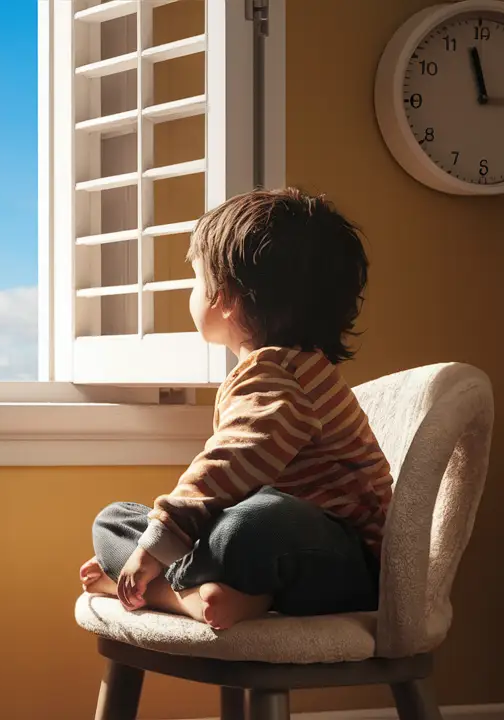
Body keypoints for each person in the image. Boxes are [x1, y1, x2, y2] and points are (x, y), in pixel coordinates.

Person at [79, 188, 393, 631]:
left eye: (197, 279)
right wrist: (157, 537)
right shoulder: (288, 368)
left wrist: (152, 548)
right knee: (115, 520)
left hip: (341, 567)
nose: (193, 290)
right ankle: (213, 596)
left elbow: (228, 465)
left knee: (253, 520)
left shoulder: (276, 373)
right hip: (280, 563)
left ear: (223, 298)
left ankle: (167, 592)